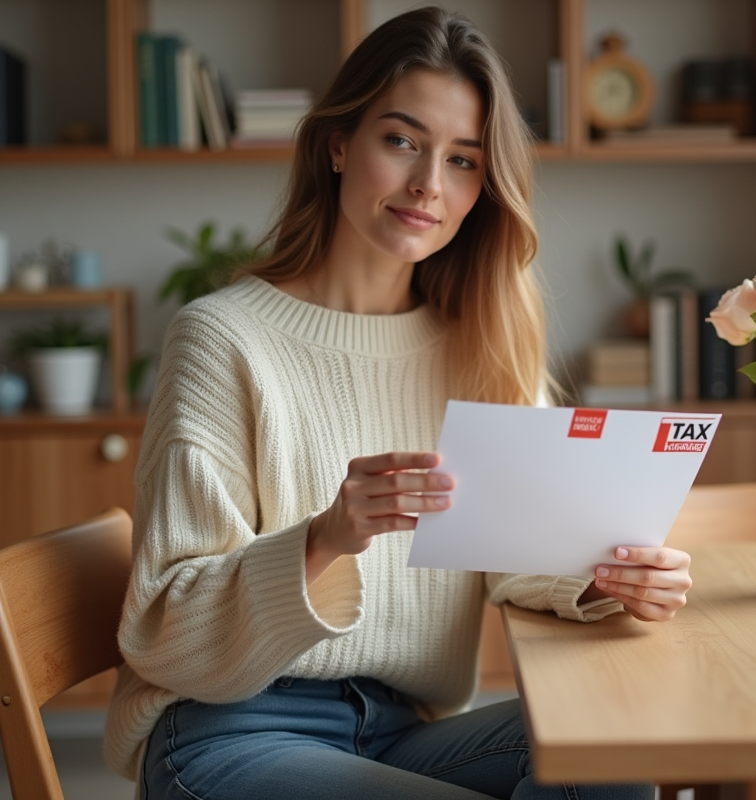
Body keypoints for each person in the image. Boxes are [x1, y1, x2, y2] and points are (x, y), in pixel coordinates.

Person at [104, 7, 693, 799]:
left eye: (462, 161)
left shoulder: (475, 341)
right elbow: (166, 631)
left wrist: (605, 577)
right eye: (402, 141)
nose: (427, 185)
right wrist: (323, 539)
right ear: (338, 144)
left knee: (608, 751)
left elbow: (517, 553)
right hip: (227, 730)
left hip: (398, 729)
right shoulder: (221, 339)